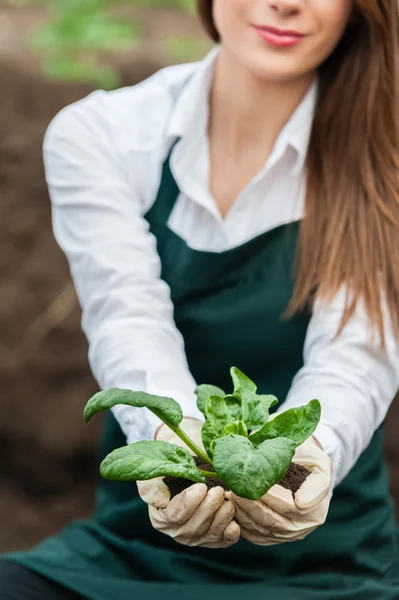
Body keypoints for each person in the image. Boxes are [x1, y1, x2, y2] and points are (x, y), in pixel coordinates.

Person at [1, 0, 399, 598]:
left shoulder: (382, 150)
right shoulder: (105, 133)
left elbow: (358, 351)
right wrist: (174, 452)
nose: (285, 4)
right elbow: (127, 318)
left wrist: (310, 456)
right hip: (140, 544)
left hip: (327, 560)